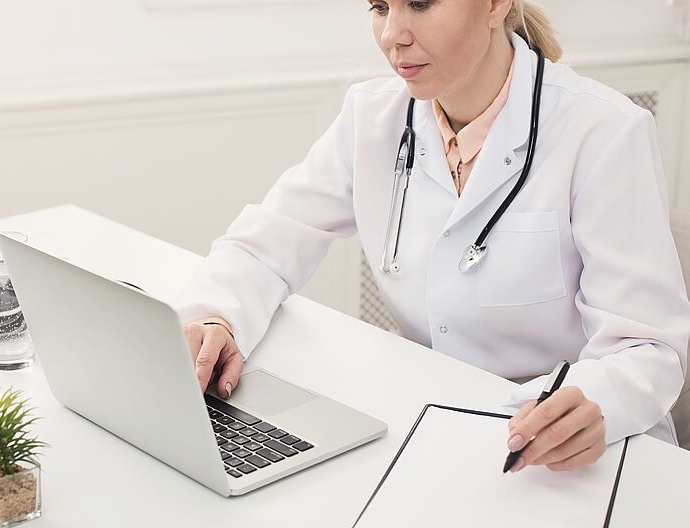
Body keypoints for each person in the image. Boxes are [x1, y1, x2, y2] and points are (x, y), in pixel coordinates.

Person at [175, 0, 690, 472]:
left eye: (420, 4)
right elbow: (265, 245)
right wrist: (217, 314)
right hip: (429, 428)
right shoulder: (372, 117)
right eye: (380, 6)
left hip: (569, 448)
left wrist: (599, 397)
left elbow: (649, 347)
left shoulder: (602, 130)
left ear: (495, 5)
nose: (393, 35)